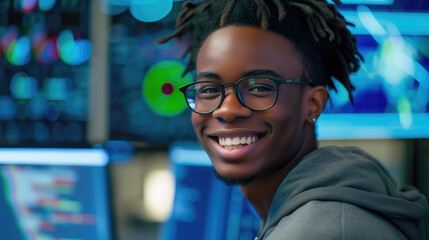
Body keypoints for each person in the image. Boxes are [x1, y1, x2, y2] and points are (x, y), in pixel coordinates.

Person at [158, 0, 428, 239]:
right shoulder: (341, 192)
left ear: (313, 104)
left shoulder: (317, 231)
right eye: (208, 90)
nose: (226, 110)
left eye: (259, 87)